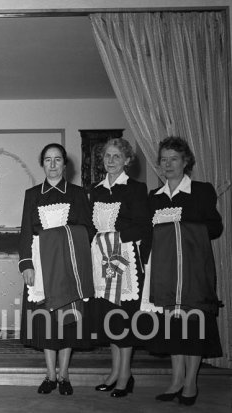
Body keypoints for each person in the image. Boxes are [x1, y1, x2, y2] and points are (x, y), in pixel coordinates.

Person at [144, 137, 223, 406]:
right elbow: (148, 236)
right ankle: (176, 379)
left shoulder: (201, 191)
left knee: (193, 327)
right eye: (163, 159)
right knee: (173, 328)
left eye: (173, 159)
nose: (167, 164)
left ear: (185, 161)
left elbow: (215, 228)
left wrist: (181, 227)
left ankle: (191, 382)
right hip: (165, 273)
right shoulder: (153, 197)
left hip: (193, 271)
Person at [19, 143, 95, 396]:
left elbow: (87, 229)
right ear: (42, 164)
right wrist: (26, 265)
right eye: (48, 160)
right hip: (41, 267)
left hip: (67, 265)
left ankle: (64, 375)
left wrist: (64, 236)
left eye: (58, 159)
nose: (53, 165)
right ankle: (50, 374)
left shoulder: (76, 193)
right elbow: (25, 233)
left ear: (65, 164)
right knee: (46, 322)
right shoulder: (32, 194)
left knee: (67, 321)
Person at [89, 138, 151, 397]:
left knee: (124, 315)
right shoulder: (96, 190)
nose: (111, 160)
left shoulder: (136, 189)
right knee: (110, 316)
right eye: (107, 156)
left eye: (116, 156)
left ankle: (125, 374)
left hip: (123, 258)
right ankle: (115, 371)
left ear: (127, 160)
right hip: (101, 259)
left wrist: (115, 237)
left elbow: (143, 225)